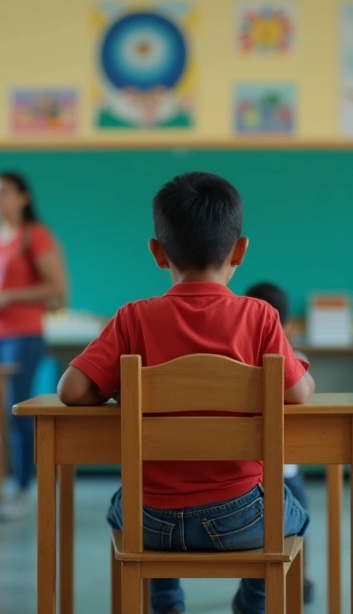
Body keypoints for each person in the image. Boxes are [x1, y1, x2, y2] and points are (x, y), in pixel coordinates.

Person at [58, 172, 314, 614]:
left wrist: (116, 390)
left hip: (150, 521)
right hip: (241, 519)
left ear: (157, 253)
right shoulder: (260, 317)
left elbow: (70, 390)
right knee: (297, 516)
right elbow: (298, 392)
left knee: (125, 502)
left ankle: (166, 604)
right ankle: (251, 606)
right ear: (240, 250)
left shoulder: (133, 318)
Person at [0, 171, 69, 520]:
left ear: (23, 197)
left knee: (17, 409)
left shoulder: (35, 235)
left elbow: (57, 290)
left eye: (3, 193)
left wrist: (10, 296)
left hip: (23, 334)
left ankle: (23, 489)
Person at [244, 280, 315, 604]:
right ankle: (301, 576)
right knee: (299, 516)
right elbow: (305, 390)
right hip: (283, 473)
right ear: (287, 327)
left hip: (239, 474)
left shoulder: (235, 354)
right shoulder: (293, 356)